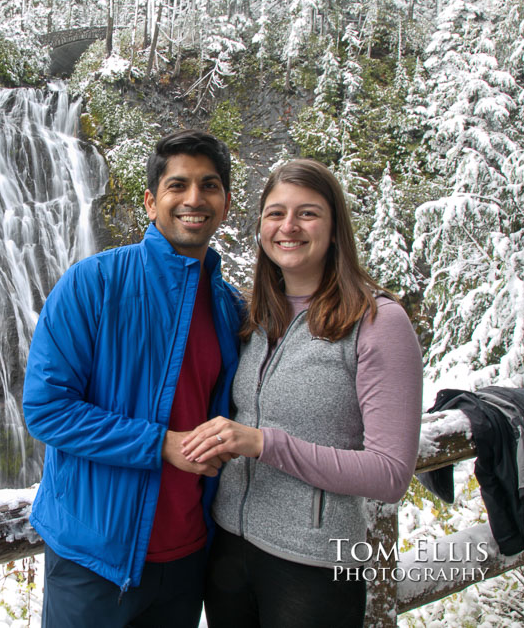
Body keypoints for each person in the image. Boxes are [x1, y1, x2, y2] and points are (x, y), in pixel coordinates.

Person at [180, 158, 423, 627]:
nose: (288, 226)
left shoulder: (377, 323)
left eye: (307, 213)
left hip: (317, 563)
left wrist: (263, 443)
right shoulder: (252, 317)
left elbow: (391, 474)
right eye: (276, 213)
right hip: (228, 549)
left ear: (334, 229)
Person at [22, 129, 244, 627]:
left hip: (188, 557)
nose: (194, 198)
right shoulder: (93, 283)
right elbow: (46, 408)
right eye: (177, 185)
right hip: (92, 559)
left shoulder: (230, 310)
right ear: (151, 201)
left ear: (225, 204)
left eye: (209, 186)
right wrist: (161, 444)